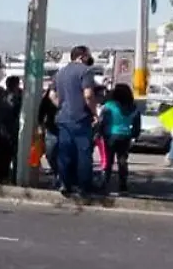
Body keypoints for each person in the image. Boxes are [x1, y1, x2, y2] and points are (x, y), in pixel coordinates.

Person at [51, 46, 99, 197]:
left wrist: (61, 105)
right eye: (88, 56)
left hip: (63, 118)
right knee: (83, 154)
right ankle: (84, 186)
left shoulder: (60, 73)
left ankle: (65, 183)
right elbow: (88, 95)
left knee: (65, 153)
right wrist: (94, 112)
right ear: (82, 56)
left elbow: (52, 95)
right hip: (80, 118)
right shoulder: (85, 71)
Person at [99, 82, 140, 194]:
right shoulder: (133, 107)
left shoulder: (109, 106)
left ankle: (104, 183)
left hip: (110, 135)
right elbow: (136, 124)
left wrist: (99, 133)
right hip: (125, 136)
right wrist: (134, 135)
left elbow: (102, 121)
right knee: (122, 161)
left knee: (108, 160)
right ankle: (123, 186)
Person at [0, 75, 24, 184]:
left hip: (2, 131)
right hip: (12, 131)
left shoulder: (1, 96)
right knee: (13, 156)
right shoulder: (16, 97)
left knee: (2, 157)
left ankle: (1, 177)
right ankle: (11, 178)